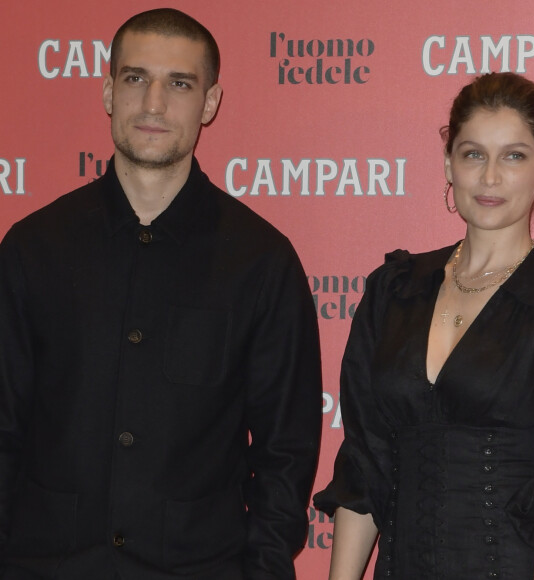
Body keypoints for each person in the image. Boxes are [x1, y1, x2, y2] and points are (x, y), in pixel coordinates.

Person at [0, 8, 322, 580]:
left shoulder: (262, 262)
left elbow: (285, 453)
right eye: (135, 78)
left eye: (179, 83)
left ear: (211, 102)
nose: (153, 104)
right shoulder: (32, 249)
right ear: (107, 91)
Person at [314, 72, 534, 579]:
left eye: (515, 156)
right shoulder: (393, 291)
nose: (490, 177)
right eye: (473, 154)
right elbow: (366, 463)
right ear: (448, 164)